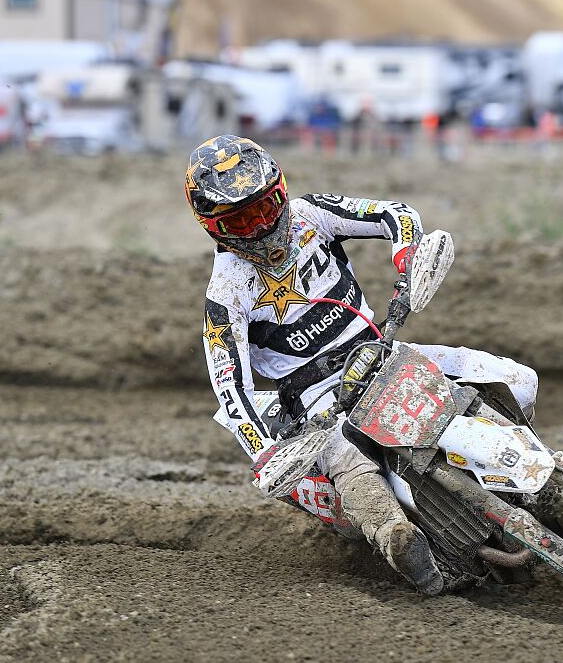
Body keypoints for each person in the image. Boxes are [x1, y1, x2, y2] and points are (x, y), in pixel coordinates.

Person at [189, 135, 538, 596]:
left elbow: (397, 215)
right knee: (342, 458)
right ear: (216, 226)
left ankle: (512, 484)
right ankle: (399, 540)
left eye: (267, 205)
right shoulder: (227, 291)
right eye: (243, 218)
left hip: (380, 351)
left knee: (520, 381)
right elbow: (229, 386)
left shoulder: (311, 215)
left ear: (281, 189)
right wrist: (266, 451)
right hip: (318, 400)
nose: (262, 224)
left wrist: (406, 257)